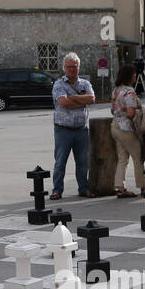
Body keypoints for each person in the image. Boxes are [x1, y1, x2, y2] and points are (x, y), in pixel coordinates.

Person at [50, 52, 95, 199]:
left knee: (83, 162)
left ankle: (83, 188)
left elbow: (92, 99)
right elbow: (63, 103)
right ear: (64, 67)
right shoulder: (59, 84)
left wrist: (73, 97)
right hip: (63, 130)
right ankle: (57, 190)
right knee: (60, 162)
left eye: (74, 67)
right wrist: (81, 100)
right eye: (69, 67)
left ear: (78, 68)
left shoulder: (85, 84)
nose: (72, 69)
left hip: (81, 130)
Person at [110, 65, 144, 198]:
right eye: (134, 74)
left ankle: (120, 187)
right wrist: (139, 111)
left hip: (115, 125)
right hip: (126, 128)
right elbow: (130, 113)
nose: (135, 76)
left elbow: (112, 110)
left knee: (122, 158)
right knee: (138, 156)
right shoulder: (130, 92)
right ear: (130, 76)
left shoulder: (116, 90)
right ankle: (143, 185)